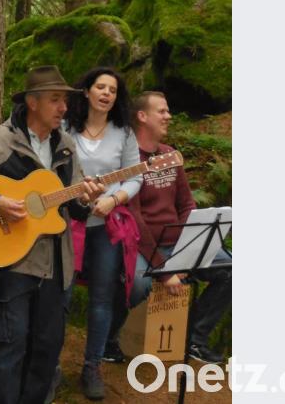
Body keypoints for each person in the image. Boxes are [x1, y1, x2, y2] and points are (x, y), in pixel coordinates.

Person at [0, 65, 104, 404]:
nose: (63, 108)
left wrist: (87, 198)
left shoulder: (66, 146)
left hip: (56, 266)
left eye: (65, 101)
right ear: (32, 101)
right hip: (14, 265)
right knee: (10, 348)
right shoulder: (3, 140)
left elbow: (73, 209)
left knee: (46, 352)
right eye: (55, 100)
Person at [105, 91, 231, 364]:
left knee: (230, 270)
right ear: (142, 116)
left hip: (177, 242)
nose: (168, 116)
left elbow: (186, 204)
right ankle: (108, 340)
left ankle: (195, 341)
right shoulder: (127, 161)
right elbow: (135, 219)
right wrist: (164, 270)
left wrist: (191, 248)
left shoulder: (170, 155)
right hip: (141, 245)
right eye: (161, 111)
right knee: (137, 284)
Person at [62, 67, 142, 401]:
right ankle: (49, 366)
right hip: (66, 223)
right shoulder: (66, 126)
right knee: (61, 296)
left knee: (102, 298)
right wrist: (74, 194)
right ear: (87, 91)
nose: (106, 93)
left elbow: (136, 176)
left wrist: (113, 199)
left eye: (112, 89)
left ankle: (92, 366)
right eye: (100, 87)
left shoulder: (124, 132)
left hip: (105, 227)